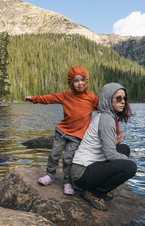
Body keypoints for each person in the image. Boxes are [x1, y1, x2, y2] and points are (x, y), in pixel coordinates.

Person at [24, 66, 98, 195]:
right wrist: (34, 99)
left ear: (86, 81)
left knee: (68, 159)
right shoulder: (66, 96)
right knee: (54, 154)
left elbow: (104, 109)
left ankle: (67, 182)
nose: (80, 83)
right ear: (71, 83)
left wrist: (118, 112)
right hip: (62, 132)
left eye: (82, 80)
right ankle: (49, 176)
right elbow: (49, 98)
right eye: (76, 81)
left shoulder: (91, 98)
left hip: (77, 136)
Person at [71, 82, 137, 211]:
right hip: (81, 172)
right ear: (108, 99)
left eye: (124, 98)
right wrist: (129, 161)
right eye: (118, 98)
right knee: (130, 167)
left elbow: (101, 147)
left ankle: (96, 186)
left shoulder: (104, 115)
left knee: (124, 149)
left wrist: (114, 144)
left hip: (87, 166)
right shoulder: (107, 119)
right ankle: (94, 192)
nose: (123, 102)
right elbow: (110, 155)